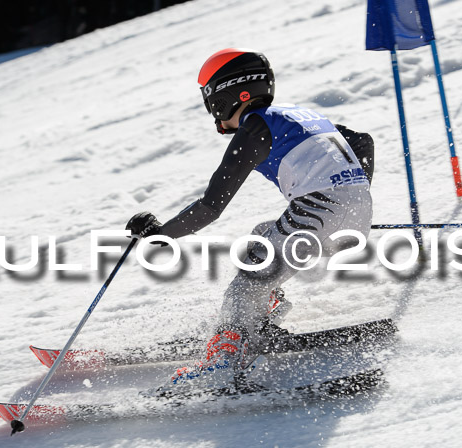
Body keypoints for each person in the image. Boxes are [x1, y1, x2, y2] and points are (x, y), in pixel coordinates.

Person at [126, 48, 374, 390]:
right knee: (262, 238)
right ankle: (259, 314)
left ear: (224, 97)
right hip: (352, 214)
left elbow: (211, 207)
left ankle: (223, 360)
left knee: (243, 287)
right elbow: (362, 142)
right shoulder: (297, 114)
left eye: (209, 100)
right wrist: (354, 196)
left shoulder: (256, 127)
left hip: (318, 212)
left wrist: (161, 235)